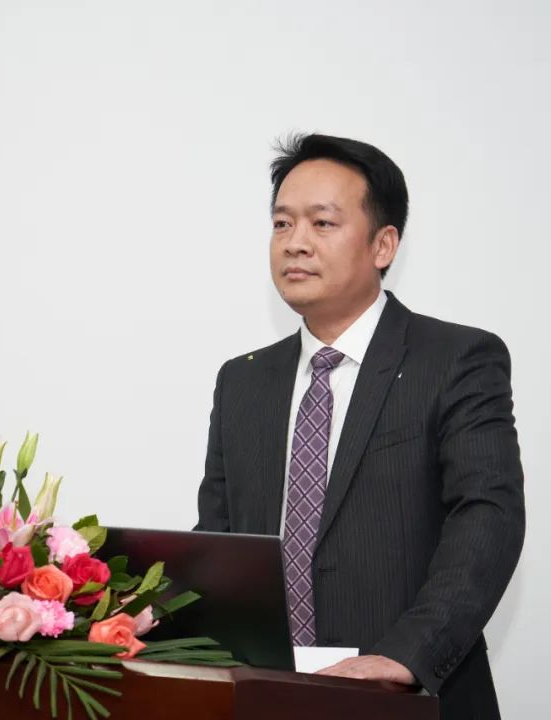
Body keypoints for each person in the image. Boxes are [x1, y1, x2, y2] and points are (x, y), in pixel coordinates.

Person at [194, 134, 525, 719]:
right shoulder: (241, 380)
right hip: (266, 697)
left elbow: (487, 516)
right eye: (281, 223)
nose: (295, 243)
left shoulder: (455, 360)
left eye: (322, 223)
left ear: (383, 244)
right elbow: (220, 542)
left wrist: (405, 655)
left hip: (408, 698)